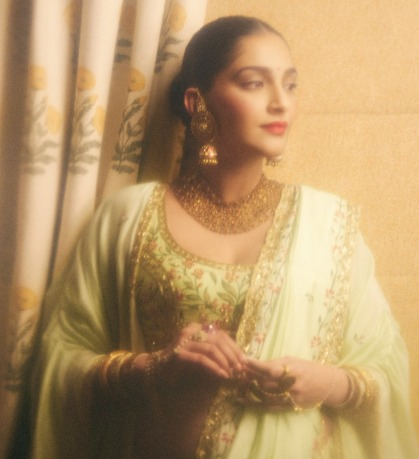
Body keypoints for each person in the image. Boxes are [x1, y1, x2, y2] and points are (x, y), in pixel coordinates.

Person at [28, 16, 418, 459]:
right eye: (254, 83)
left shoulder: (328, 225)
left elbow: (384, 364)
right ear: (197, 103)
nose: (281, 103)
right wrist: (153, 369)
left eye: (290, 85)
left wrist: (327, 383)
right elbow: (61, 360)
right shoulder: (127, 217)